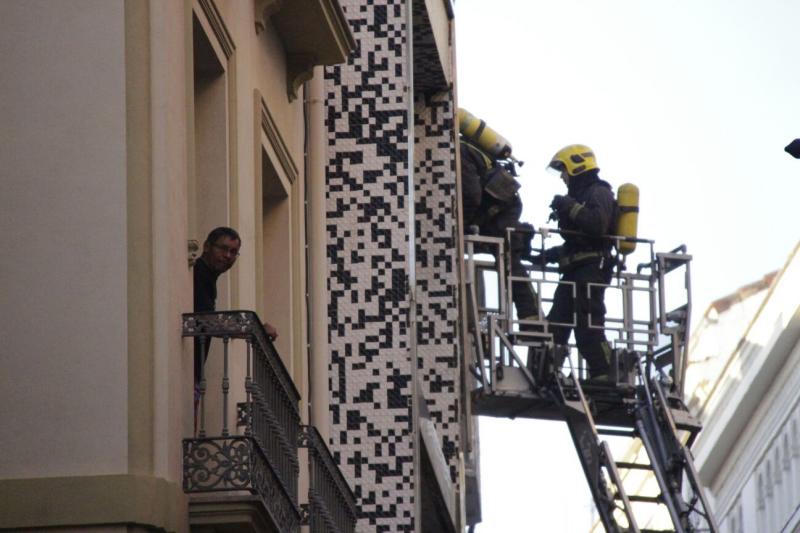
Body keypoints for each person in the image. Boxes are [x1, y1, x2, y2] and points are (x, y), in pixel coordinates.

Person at [540, 144, 616, 380]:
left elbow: (596, 226)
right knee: (557, 322)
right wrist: (548, 256)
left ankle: (604, 372)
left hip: (592, 270)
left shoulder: (599, 192)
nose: (562, 177)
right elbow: (577, 242)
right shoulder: (580, 195)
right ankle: (546, 370)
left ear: (576, 166)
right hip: (575, 270)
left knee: (588, 324)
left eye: (563, 170)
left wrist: (569, 207)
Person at [460, 138, 539, 326]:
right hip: (493, 207)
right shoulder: (462, 148)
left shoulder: (460, 151)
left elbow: (471, 195)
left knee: (507, 256)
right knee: (504, 253)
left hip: (501, 207)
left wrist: (462, 224)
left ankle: (531, 315)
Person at [193, 227, 278, 385]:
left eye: (233, 252)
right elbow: (208, 321)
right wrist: (255, 328)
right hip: (188, 375)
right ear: (206, 246)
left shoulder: (207, 277)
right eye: (223, 249)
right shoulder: (199, 273)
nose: (227, 256)